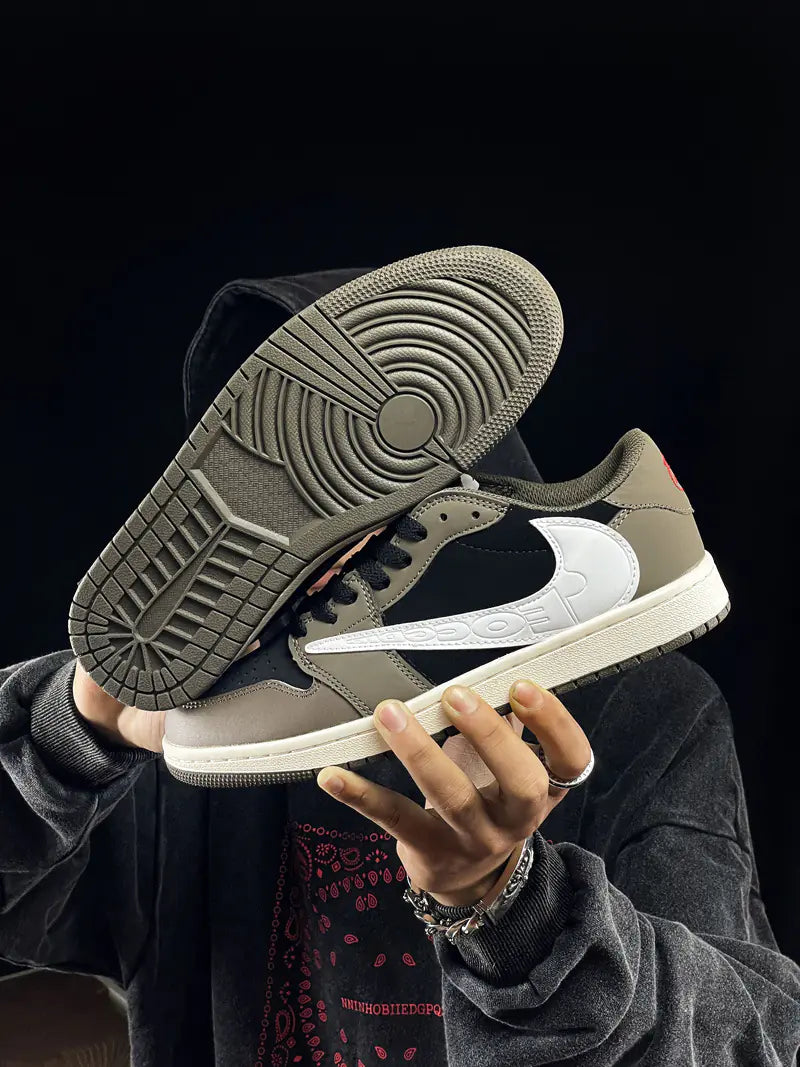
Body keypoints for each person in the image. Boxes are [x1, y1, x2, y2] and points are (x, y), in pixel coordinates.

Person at [2, 271, 799, 1067]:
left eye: (331, 476)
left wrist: (518, 915)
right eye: (261, 494)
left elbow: (753, 1043)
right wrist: (74, 734)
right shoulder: (185, 738)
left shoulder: (647, 715)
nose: (294, 538)